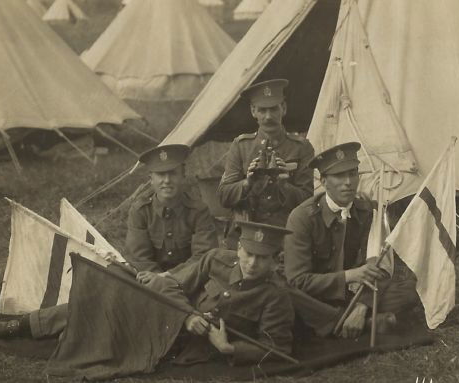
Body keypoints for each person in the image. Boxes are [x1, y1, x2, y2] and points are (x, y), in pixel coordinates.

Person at [0, 221, 295, 366]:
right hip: (172, 317)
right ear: (238, 248)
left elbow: (277, 346)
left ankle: (28, 328)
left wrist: (228, 349)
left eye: (263, 258)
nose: (252, 263)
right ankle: (19, 326)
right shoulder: (216, 260)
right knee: (104, 300)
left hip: (183, 345)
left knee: (105, 322)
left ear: (274, 260)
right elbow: (169, 284)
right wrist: (187, 316)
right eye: (248, 253)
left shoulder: (275, 297)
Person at [284, 142, 419, 339]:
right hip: (315, 293)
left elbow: (378, 267)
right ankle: (356, 324)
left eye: (353, 173)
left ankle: (344, 320)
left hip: (351, 294)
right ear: (323, 181)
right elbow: (298, 280)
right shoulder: (302, 217)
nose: (348, 182)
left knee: (410, 290)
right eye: (339, 176)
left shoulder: (368, 211)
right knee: (286, 293)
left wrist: (362, 306)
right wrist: (350, 275)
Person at [217, 79, 314, 232]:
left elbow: (309, 201)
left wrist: (284, 186)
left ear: (283, 108)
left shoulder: (301, 147)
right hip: (248, 229)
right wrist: (247, 183)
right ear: (253, 111)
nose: (268, 116)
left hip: (287, 229)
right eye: (262, 110)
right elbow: (224, 196)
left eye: (274, 109)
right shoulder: (241, 146)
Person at [125, 144, 218, 283]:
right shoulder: (140, 211)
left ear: (183, 175)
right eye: (161, 174)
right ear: (151, 178)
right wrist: (157, 279)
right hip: (150, 281)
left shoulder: (198, 210)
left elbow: (204, 255)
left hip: (190, 279)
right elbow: (140, 258)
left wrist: (168, 276)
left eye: (173, 173)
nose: (167, 181)